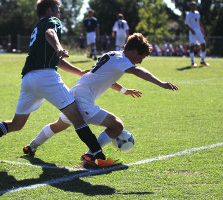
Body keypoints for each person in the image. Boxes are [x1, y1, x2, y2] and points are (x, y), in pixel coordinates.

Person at [0, 0, 119, 168]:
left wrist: (79, 72)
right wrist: (59, 46)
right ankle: (100, 157)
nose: (59, 13)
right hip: (46, 77)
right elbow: (51, 32)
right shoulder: (51, 22)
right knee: (76, 117)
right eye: (58, 9)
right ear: (49, 10)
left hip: (29, 79)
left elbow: (56, 61)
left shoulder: (37, 28)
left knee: (16, 124)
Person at [23, 33, 179, 167]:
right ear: (134, 51)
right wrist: (161, 83)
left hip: (72, 96)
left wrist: (124, 90)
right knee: (117, 126)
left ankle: (31, 147)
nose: (139, 61)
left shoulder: (112, 55)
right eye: (141, 57)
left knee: (58, 126)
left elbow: (106, 78)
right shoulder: (122, 59)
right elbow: (138, 71)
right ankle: (91, 155)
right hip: (83, 101)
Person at [185, 1, 209, 66]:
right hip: (192, 32)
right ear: (190, 6)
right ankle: (192, 62)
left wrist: (202, 29)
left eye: (194, 5)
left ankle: (202, 60)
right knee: (192, 47)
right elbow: (186, 25)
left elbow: (199, 22)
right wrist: (191, 30)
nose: (193, 7)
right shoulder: (188, 14)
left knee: (203, 44)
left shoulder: (197, 13)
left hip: (198, 31)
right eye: (192, 5)